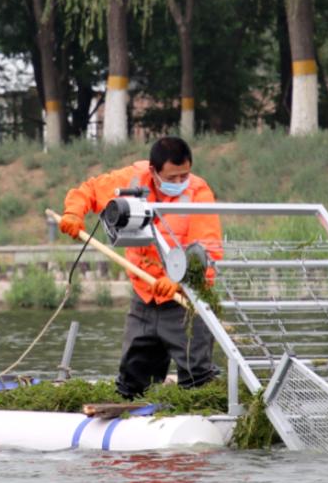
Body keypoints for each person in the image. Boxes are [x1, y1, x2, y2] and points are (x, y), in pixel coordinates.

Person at [60, 136, 222, 399]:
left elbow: (207, 249)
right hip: (144, 296)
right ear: (153, 171)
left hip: (185, 300)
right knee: (133, 376)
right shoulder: (132, 179)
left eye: (185, 175)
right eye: (173, 177)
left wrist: (180, 281)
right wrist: (74, 212)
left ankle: (203, 411)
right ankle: (132, 412)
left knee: (197, 377)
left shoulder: (199, 193)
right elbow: (89, 191)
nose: (180, 183)